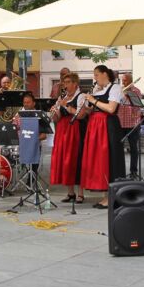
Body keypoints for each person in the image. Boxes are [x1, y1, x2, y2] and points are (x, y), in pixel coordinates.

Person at [80, 65, 125, 209]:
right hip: (96, 126)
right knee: (99, 160)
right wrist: (86, 107)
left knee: (109, 159)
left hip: (108, 126)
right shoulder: (98, 89)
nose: (95, 78)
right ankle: (104, 195)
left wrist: (93, 100)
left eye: (97, 74)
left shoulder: (115, 88)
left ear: (105, 74)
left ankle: (111, 197)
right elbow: (94, 109)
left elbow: (111, 109)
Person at [50, 72, 85, 203]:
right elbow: (57, 118)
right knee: (66, 160)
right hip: (63, 130)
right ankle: (70, 193)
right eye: (64, 83)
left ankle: (80, 193)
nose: (65, 85)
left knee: (76, 159)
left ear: (75, 84)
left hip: (75, 129)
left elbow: (81, 115)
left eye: (68, 82)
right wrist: (54, 111)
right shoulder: (62, 97)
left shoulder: (81, 96)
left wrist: (65, 105)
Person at [117, 73, 143, 177]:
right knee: (119, 148)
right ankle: (120, 171)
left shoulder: (136, 91)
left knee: (133, 148)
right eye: (122, 80)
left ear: (130, 80)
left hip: (133, 123)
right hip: (120, 123)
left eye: (125, 81)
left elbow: (137, 108)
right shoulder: (120, 90)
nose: (123, 82)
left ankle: (134, 171)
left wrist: (129, 95)